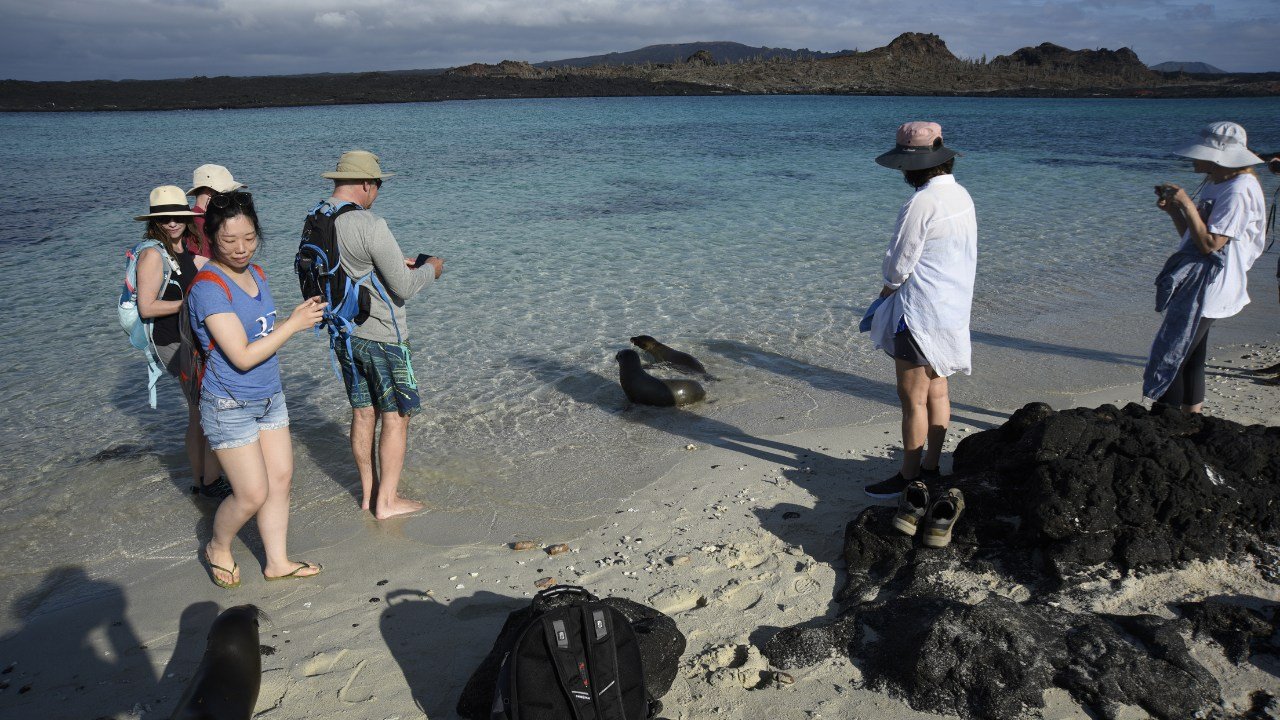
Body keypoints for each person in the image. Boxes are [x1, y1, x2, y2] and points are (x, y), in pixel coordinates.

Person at [187, 190, 327, 588]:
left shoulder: (257, 274)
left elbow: (260, 332)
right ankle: (218, 545)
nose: (241, 248)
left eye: (249, 238)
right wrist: (293, 325)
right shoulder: (208, 288)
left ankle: (277, 561)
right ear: (211, 237)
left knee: (280, 480)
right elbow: (243, 356)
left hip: (270, 398)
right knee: (250, 494)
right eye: (229, 240)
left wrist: (302, 318)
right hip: (229, 404)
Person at [320, 150, 442, 520]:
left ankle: (369, 493)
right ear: (366, 185)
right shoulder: (369, 223)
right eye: (378, 185)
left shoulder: (318, 217)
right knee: (396, 416)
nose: (378, 192)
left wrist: (385, 267)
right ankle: (387, 503)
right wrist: (432, 269)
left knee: (362, 412)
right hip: (383, 334)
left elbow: (347, 267)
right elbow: (404, 286)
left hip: (342, 331)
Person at [863, 122, 977, 499]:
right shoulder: (961, 196)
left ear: (912, 166)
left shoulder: (921, 202)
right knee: (938, 392)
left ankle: (909, 478)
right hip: (953, 308)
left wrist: (884, 294)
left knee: (912, 397)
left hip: (921, 312)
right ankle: (931, 467)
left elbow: (899, 264)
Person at [1145, 122, 1266, 411]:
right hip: (1204, 280)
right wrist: (1176, 210)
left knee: (1172, 358)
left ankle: (1167, 427)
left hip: (1212, 284)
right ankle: (1192, 422)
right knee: (1193, 356)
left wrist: (1187, 204)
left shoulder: (1238, 191)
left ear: (1218, 157)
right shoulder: (1218, 182)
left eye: (1199, 154)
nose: (1193, 159)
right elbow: (1193, 240)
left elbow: (1212, 245)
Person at [132, 185, 227, 498]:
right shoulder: (152, 255)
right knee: (202, 409)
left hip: (188, 339)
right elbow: (147, 307)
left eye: (177, 216)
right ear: (155, 221)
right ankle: (206, 482)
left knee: (199, 410)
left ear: (187, 217)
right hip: (172, 342)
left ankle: (204, 479)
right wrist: (188, 303)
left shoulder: (183, 251)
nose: (172, 222)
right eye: (165, 218)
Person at [186, 164, 248, 257]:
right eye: (227, 193)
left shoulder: (193, 218)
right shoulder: (200, 222)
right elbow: (203, 262)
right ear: (210, 191)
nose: (230, 198)